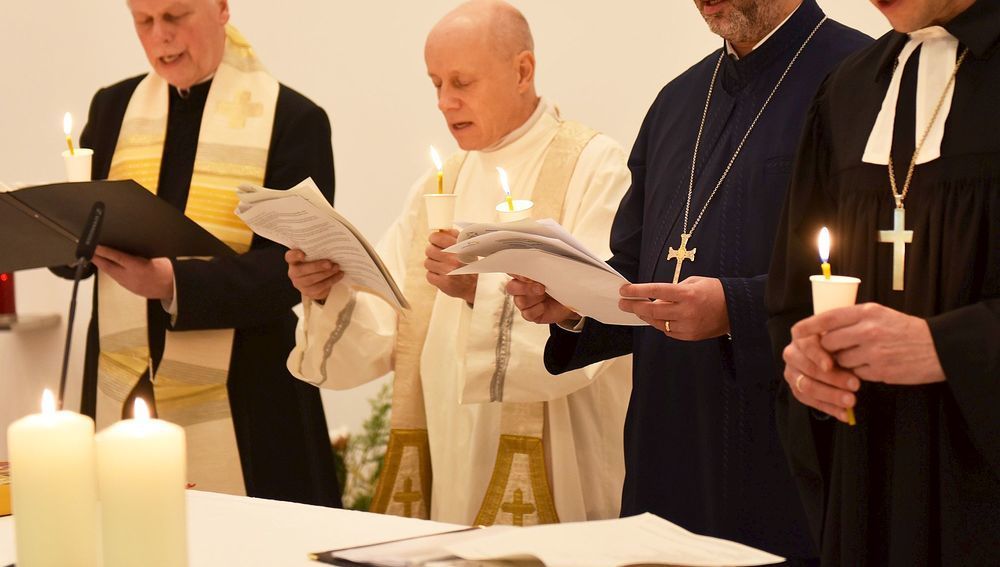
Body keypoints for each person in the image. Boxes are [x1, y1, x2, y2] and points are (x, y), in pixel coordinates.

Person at [507, 0, 869, 560]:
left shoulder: (861, 78)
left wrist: (738, 309)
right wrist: (575, 301)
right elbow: (634, 263)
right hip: (666, 442)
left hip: (786, 442)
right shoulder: (677, 102)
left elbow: (875, 276)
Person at [286, 0, 632, 526]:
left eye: (462, 83)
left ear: (522, 71)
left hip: (563, 461)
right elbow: (386, 325)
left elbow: (605, 317)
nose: (445, 103)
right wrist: (327, 289)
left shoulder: (594, 165)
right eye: (435, 84)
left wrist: (480, 292)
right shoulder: (439, 182)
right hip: (451, 453)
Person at [60, 0, 341, 506]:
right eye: (143, 22)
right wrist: (55, 226)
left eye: (175, 16)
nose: (159, 36)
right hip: (122, 386)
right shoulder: (113, 109)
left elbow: (291, 272)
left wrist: (173, 285)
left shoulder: (294, 120)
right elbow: (79, 248)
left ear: (221, 9)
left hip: (247, 395)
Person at [767, 0, 999, 563]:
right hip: (865, 482)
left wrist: (955, 348)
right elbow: (797, 291)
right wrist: (808, 369)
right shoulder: (847, 90)